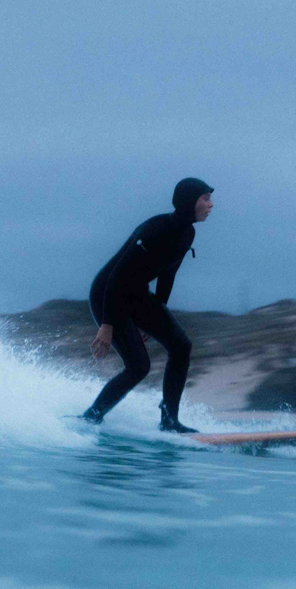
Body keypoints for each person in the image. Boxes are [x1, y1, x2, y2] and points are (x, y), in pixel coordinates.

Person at [81, 178, 214, 432]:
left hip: (136, 294)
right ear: (190, 202)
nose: (211, 205)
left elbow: (168, 275)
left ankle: (169, 421)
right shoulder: (156, 229)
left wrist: (157, 316)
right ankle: (92, 416)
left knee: (181, 345)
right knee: (139, 367)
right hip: (108, 292)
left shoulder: (187, 232)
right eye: (205, 198)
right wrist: (107, 325)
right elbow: (117, 276)